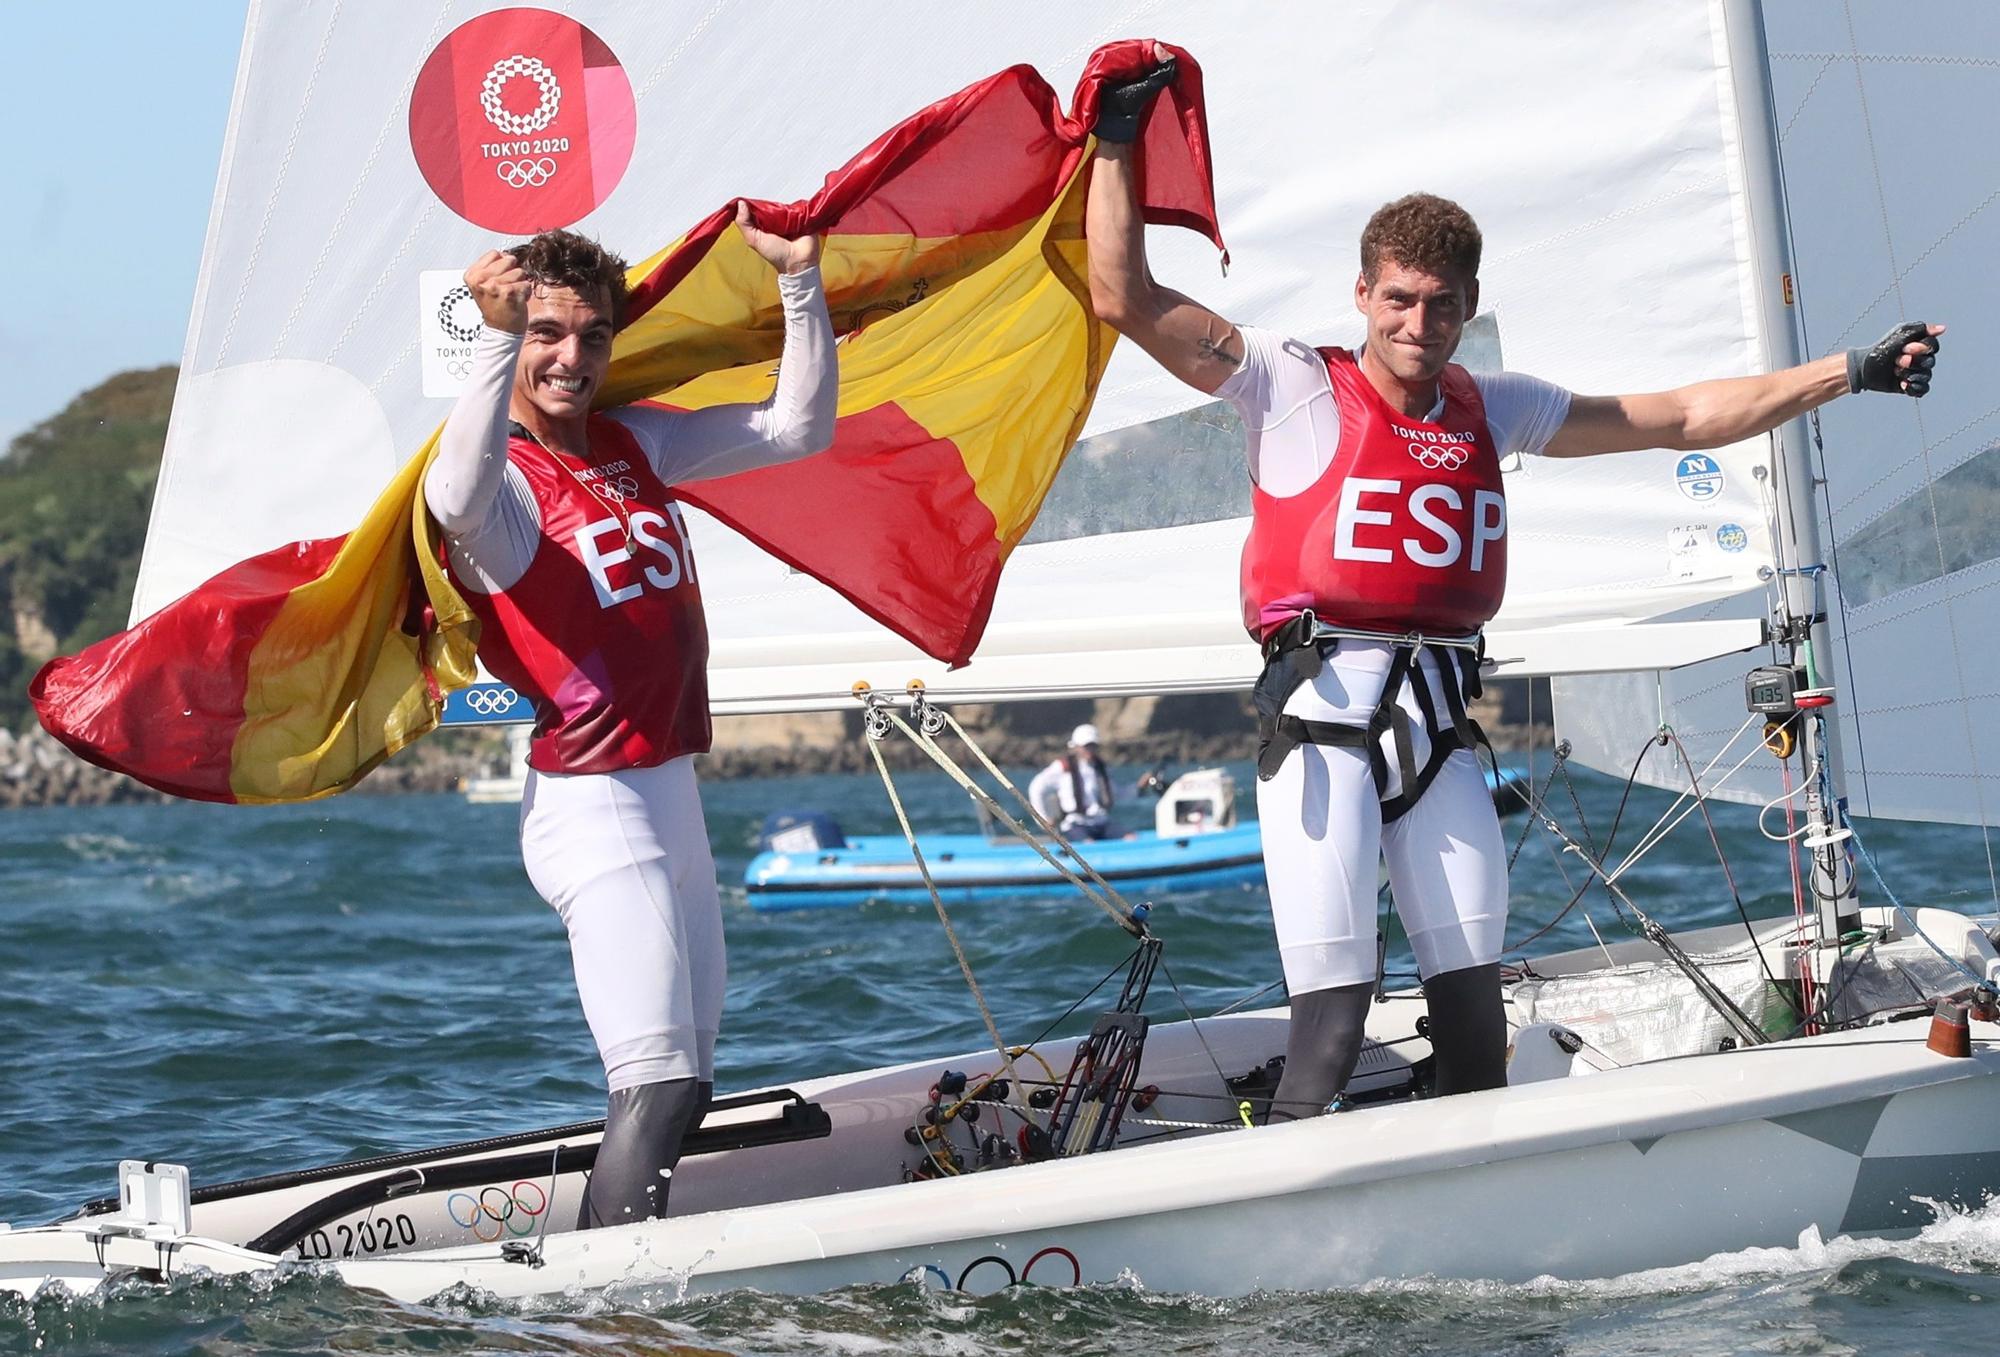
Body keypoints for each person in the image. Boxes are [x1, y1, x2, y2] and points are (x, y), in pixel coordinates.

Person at [1083, 55, 1943, 1119]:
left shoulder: (1491, 407)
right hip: (1318, 734)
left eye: (1440, 304)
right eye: (1396, 298)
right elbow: (1120, 294)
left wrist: (1846, 372)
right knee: (1334, 1022)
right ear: (1361, 293)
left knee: (1473, 1019)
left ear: (1468, 306)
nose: (1415, 322)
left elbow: (1676, 415)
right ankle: (1291, 1249)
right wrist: (1114, 141)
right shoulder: (1290, 379)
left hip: (1442, 728)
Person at [424, 210, 835, 1227]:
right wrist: (487, 334)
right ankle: (609, 1311)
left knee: (688, 1088)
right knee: (651, 1088)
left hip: (670, 795)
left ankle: (636, 1278)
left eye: (593, 334)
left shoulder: (632, 439)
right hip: (593, 803)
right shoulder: (501, 478)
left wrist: (798, 282)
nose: (572, 356)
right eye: (547, 333)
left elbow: (797, 429)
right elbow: (453, 496)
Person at [1029, 723, 1117, 840]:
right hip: (1074, 824)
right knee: (1088, 843)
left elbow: (1115, 792)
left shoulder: (1099, 769)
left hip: (1100, 822)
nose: (1090, 750)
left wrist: (1138, 789)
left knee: (1130, 837)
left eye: (1093, 746)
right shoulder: (1062, 768)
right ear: (1076, 747)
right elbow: (1036, 788)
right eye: (1086, 746)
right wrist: (1042, 819)